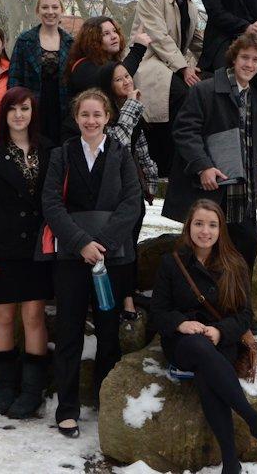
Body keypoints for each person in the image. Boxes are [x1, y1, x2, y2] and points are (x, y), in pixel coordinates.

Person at [151, 199, 257, 474]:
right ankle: (254, 421)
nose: (205, 231)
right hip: (183, 344)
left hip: (221, 340)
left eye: (212, 225)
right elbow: (158, 312)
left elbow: (246, 315)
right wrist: (180, 324)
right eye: (198, 224)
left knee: (208, 376)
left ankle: (231, 463)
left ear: (220, 229)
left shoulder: (234, 264)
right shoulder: (172, 262)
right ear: (189, 227)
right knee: (200, 350)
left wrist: (221, 330)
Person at [42, 89, 142, 438]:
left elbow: (132, 203)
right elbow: (51, 203)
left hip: (112, 258)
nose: (91, 120)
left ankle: (105, 402)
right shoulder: (62, 154)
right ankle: (67, 408)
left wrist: (104, 244)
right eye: (85, 114)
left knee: (108, 333)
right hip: (71, 256)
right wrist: (82, 242)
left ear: (108, 117)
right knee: (69, 333)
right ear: (76, 117)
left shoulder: (121, 154)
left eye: (97, 114)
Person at [0, 87, 55, 419]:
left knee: (34, 317)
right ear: (3, 114)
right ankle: (5, 386)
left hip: (38, 249)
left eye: (25, 108)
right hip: (2, 249)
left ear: (33, 112)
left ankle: (33, 390)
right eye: (12, 109)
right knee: (3, 317)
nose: (19, 115)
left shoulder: (48, 149)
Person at [164, 33, 257, 278]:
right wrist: (203, 166)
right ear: (233, 58)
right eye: (245, 57)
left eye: (255, 60)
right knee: (201, 255)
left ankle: (237, 308)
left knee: (245, 248)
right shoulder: (205, 89)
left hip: (242, 192)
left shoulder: (253, 96)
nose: (249, 64)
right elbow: (184, 131)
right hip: (210, 189)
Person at [132, 0, 204, 173]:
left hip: (172, 63)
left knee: (207, 88)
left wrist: (227, 60)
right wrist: (184, 67)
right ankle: (168, 160)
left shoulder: (189, 4)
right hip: (150, 61)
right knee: (182, 92)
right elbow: (158, 37)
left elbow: (196, 39)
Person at [99, 61, 158, 320]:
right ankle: (118, 300)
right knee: (117, 247)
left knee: (131, 246)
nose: (126, 81)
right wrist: (132, 107)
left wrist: (151, 181)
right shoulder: (104, 113)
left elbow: (141, 148)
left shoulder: (132, 110)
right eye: (118, 79)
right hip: (110, 193)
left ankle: (129, 295)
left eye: (127, 76)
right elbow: (117, 144)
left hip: (133, 190)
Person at [61, 16, 150, 139]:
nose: (114, 36)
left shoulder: (107, 62)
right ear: (92, 40)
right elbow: (114, 74)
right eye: (106, 34)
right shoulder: (82, 67)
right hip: (82, 140)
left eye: (115, 31)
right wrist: (138, 48)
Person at [8, 0, 74, 144]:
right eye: (45, 7)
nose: (50, 12)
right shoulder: (25, 41)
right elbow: (14, 79)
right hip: (32, 110)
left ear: (61, 10)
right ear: (38, 11)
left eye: (54, 7)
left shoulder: (71, 44)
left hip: (63, 111)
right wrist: (18, 110)